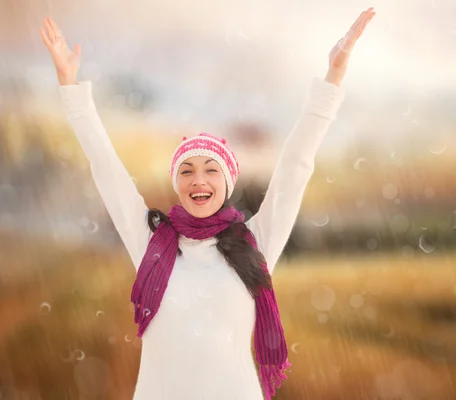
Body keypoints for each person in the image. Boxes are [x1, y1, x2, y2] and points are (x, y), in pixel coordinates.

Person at [40, 8, 375, 400]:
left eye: (210, 170)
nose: (198, 180)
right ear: (177, 184)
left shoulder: (255, 243)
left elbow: (295, 168)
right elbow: (106, 168)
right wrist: (70, 86)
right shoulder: (151, 242)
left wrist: (333, 76)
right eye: (187, 171)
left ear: (227, 182)